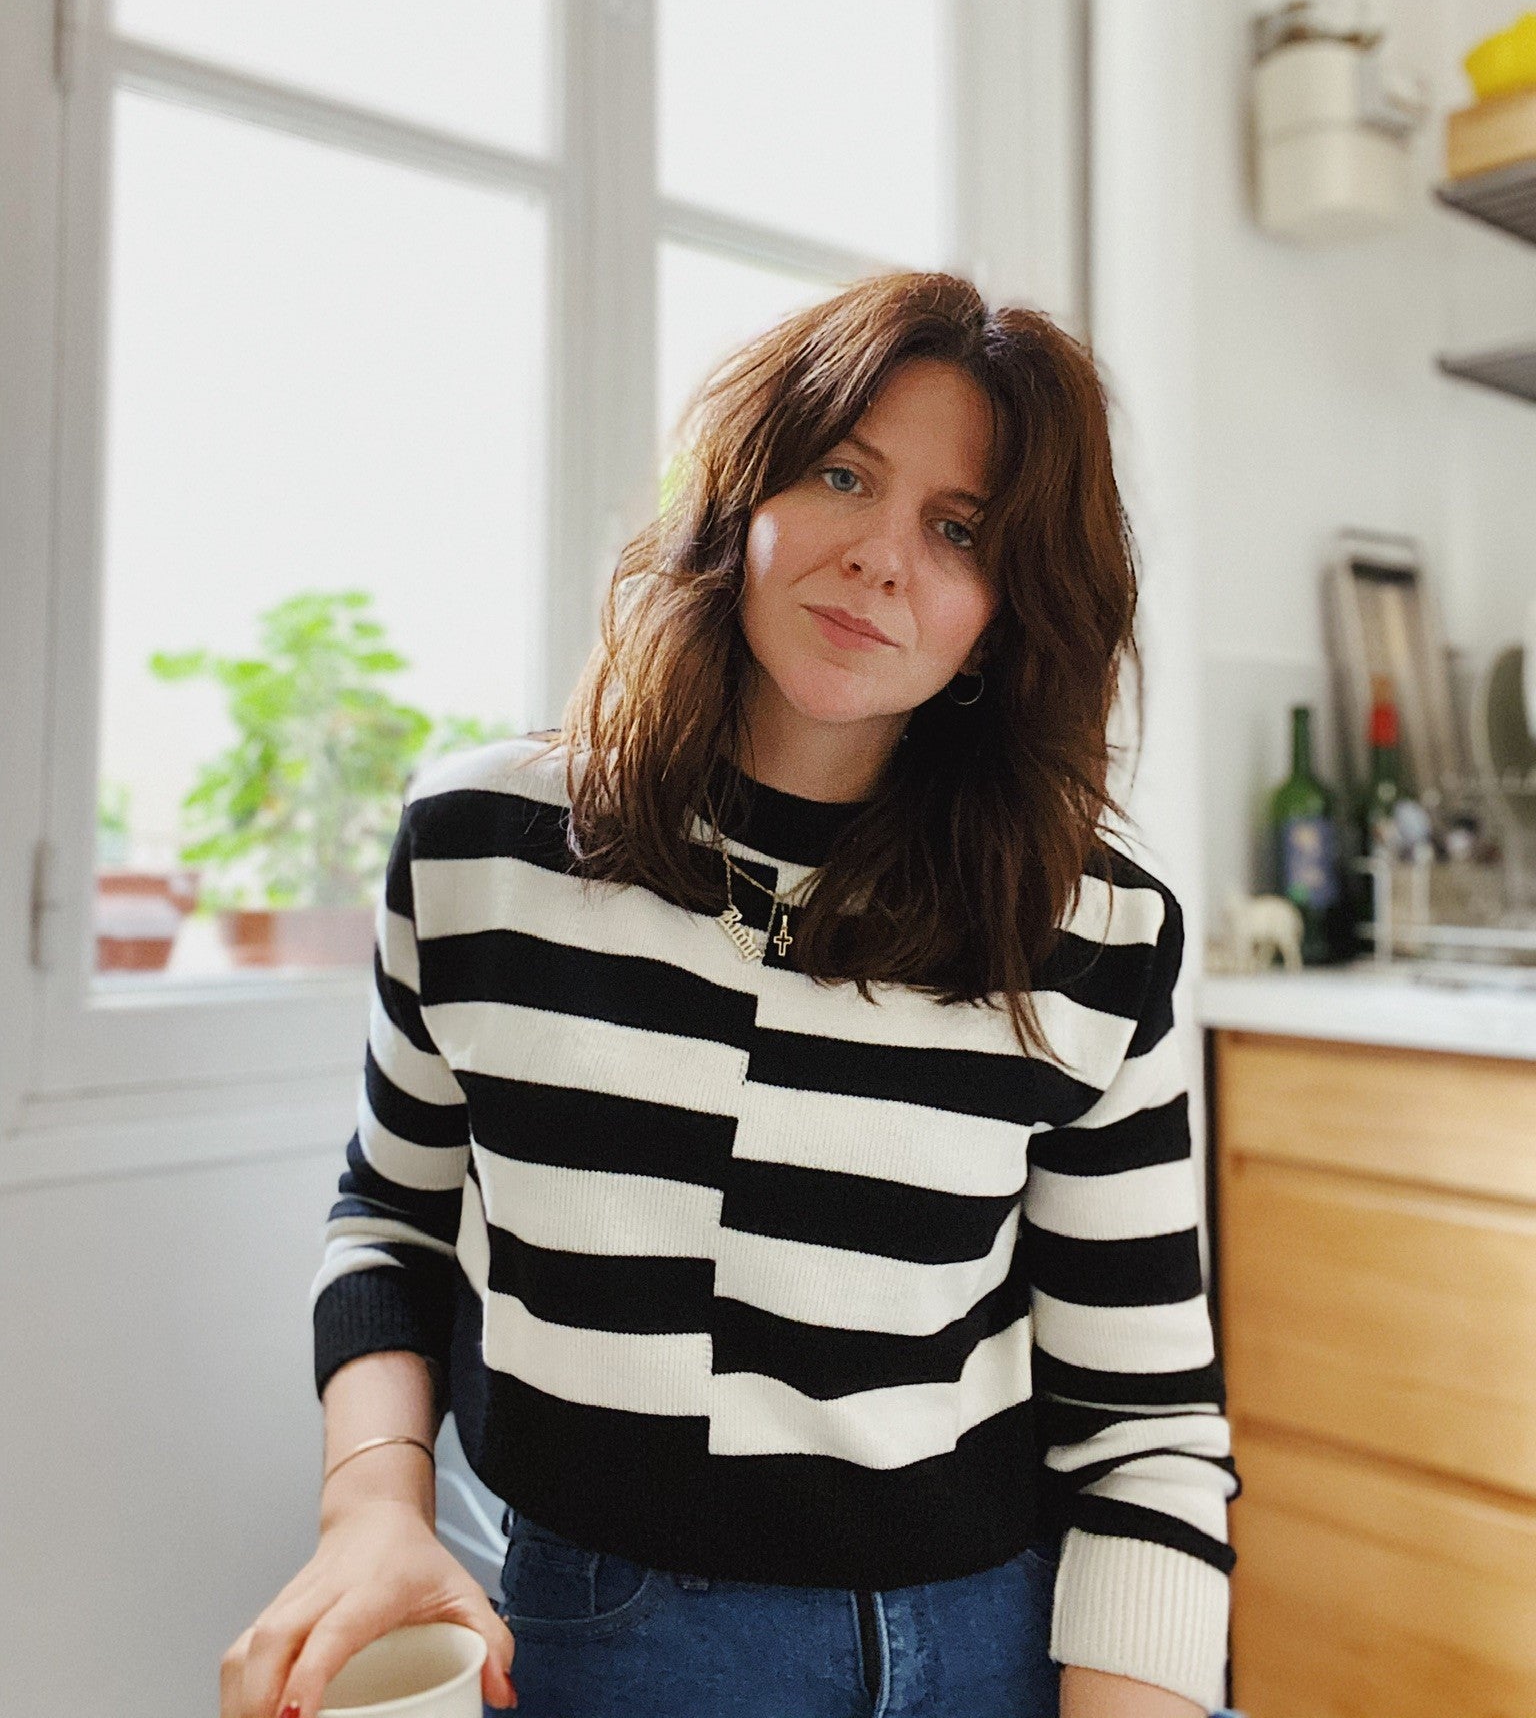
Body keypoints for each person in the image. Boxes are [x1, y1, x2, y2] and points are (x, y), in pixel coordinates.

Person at [221, 271, 1242, 1718]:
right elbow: (390, 1222)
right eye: (843, 473)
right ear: (741, 494)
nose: (883, 559)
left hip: (999, 1642)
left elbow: (1143, 1429)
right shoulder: (481, 846)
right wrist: (370, 1507)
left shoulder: (1088, 929)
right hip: (611, 1637)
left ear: (1005, 621)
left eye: (959, 532)